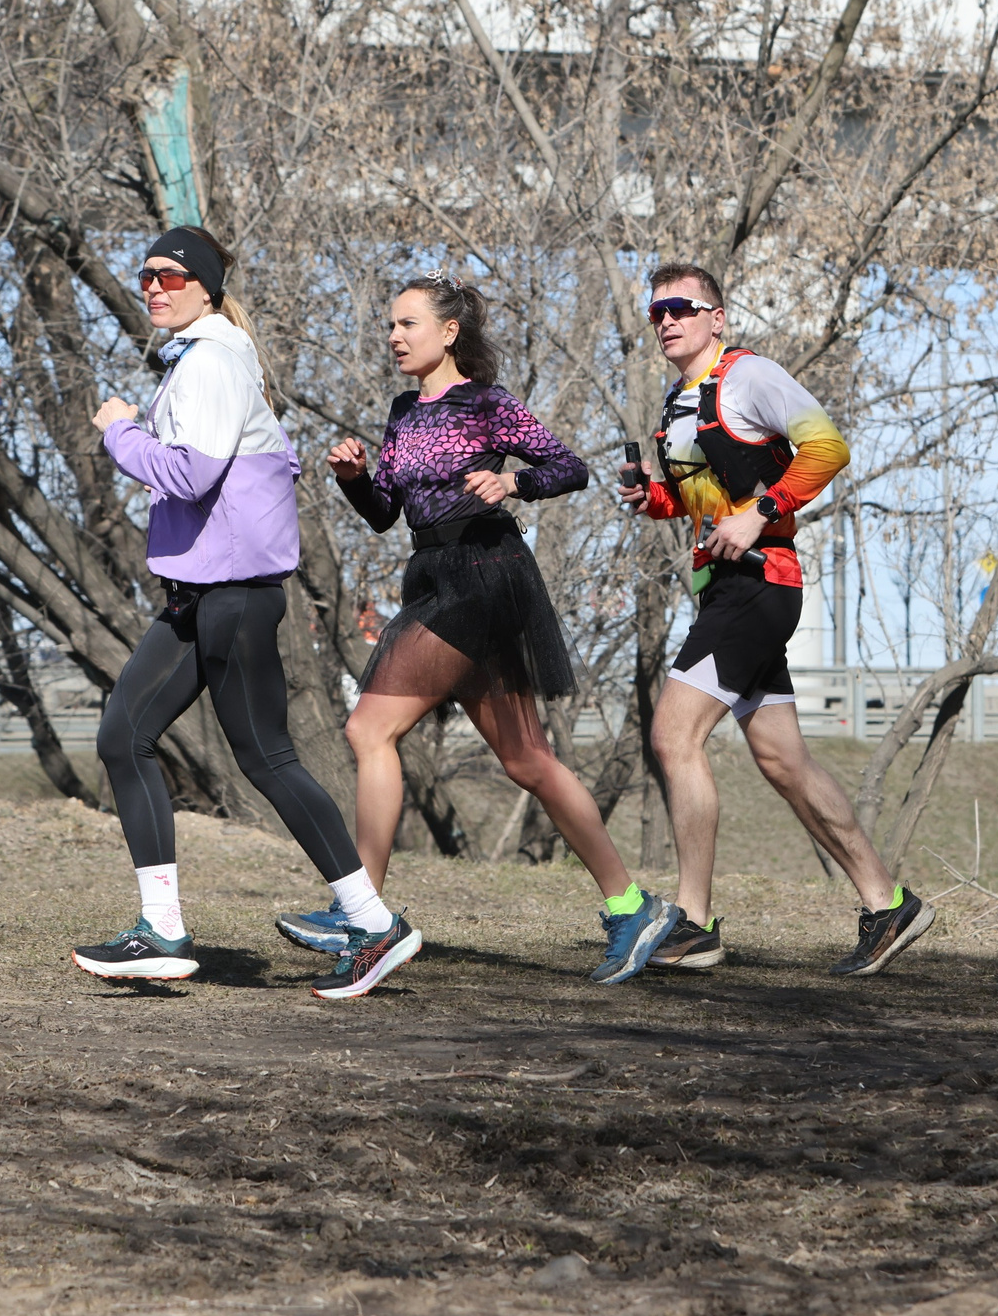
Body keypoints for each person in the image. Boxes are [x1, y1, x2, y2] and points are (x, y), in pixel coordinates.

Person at [284, 275, 681, 983]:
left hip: (486, 576)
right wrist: (354, 478)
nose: (394, 336)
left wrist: (512, 483)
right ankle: (631, 906)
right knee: (528, 762)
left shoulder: (486, 404)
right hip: (437, 573)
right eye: (390, 326)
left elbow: (569, 468)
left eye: (407, 323)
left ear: (449, 331)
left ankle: (362, 916)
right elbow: (385, 513)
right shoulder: (404, 413)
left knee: (368, 731)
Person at [74, 227, 414, 1000]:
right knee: (123, 735)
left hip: (234, 593)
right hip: (201, 591)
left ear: (204, 286)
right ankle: (161, 930)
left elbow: (191, 477)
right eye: (147, 276)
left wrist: (119, 431)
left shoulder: (215, 360)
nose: (155, 287)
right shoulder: (199, 359)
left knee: (267, 759)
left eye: (170, 276)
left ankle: (372, 921)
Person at [618, 261, 933, 976]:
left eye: (681, 307)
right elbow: (703, 501)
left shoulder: (749, 377)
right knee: (783, 761)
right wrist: (658, 501)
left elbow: (828, 447)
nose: (667, 320)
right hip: (727, 586)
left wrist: (763, 514)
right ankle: (888, 904)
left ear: (716, 318)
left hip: (759, 586)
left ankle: (694, 923)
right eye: (656, 312)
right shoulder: (679, 398)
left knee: (673, 736)